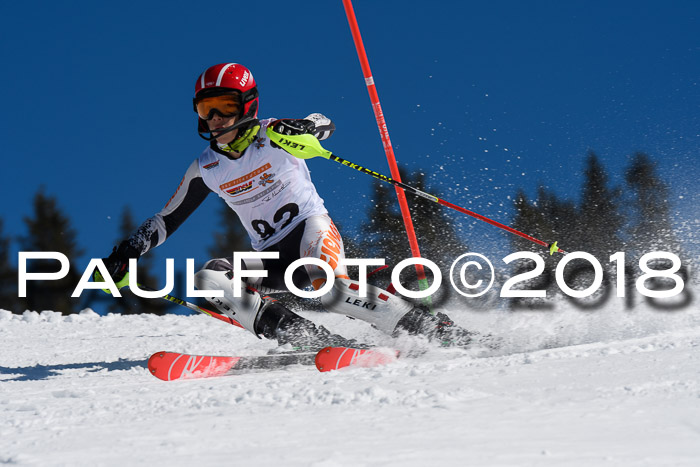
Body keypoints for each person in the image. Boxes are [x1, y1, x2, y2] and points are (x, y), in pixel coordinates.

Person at [99, 62, 476, 350]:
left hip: (311, 233)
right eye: (206, 109)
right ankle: (311, 338)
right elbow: (167, 219)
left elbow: (321, 124)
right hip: (270, 257)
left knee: (328, 286)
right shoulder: (206, 168)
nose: (215, 118)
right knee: (210, 281)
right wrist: (128, 250)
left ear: (247, 105)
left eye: (225, 106)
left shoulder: (273, 133)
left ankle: (428, 328)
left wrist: (305, 128)